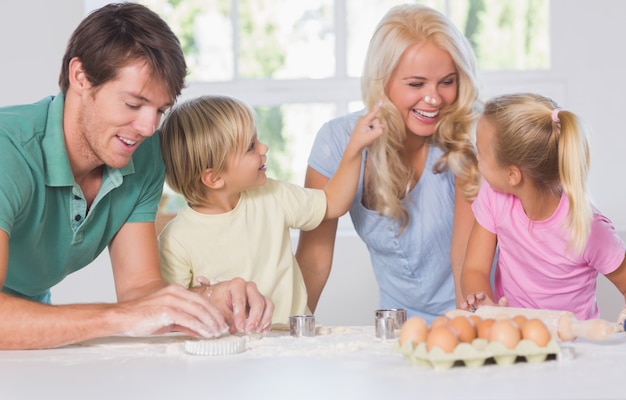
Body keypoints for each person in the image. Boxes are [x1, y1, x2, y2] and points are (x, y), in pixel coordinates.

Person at [0, 3, 273, 350]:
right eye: (133, 104)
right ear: (80, 77)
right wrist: (118, 317)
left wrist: (206, 299)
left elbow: (140, 291)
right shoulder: (8, 152)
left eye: (160, 109)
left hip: (29, 331)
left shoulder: (142, 157)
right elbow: (131, 312)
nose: (148, 127)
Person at [295, 4, 481, 323]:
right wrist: (288, 333)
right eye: (416, 84)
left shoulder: (470, 138)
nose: (434, 98)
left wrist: (468, 333)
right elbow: (314, 260)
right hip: (399, 325)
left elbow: (465, 259)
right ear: (383, 82)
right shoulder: (339, 140)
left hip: (476, 311)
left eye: (447, 82)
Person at [158, 95, 384, 324]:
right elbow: (174, 314)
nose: (264, 147)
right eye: (250, 147)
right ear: (214, 178)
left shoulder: (272, 195)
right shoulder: (175, 240)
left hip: (290, 342)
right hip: (228, 354)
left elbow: (333, 203)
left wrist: (355, 148)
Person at [460, 93, 626, 320]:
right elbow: (475, 269)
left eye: (481, 151)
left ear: (512, 175)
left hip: (576, 348)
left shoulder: (587, 227)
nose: (476, 156)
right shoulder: (493, 196)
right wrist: (483, 303)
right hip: (516, 342)